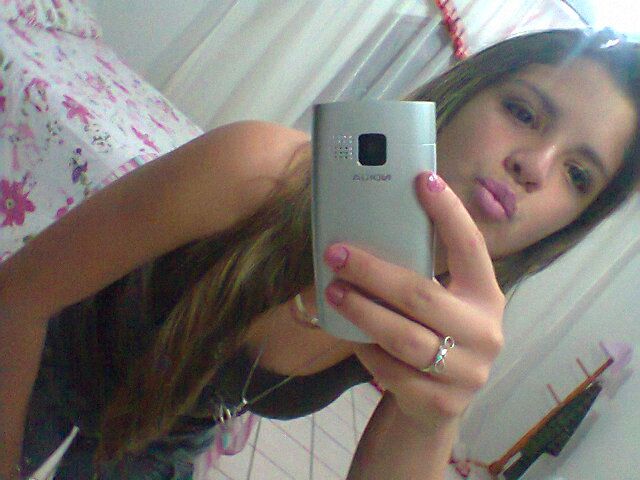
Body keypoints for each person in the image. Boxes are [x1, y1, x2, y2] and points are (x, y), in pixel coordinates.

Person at [1, 27, 639, 479]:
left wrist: (438, 414)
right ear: (459, 97)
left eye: (578, 175)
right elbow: (21, 298)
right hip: (44, 369)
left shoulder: (438, 325)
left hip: (163, 441)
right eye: (523, 112)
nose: (535, 165)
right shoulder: (257, 170)